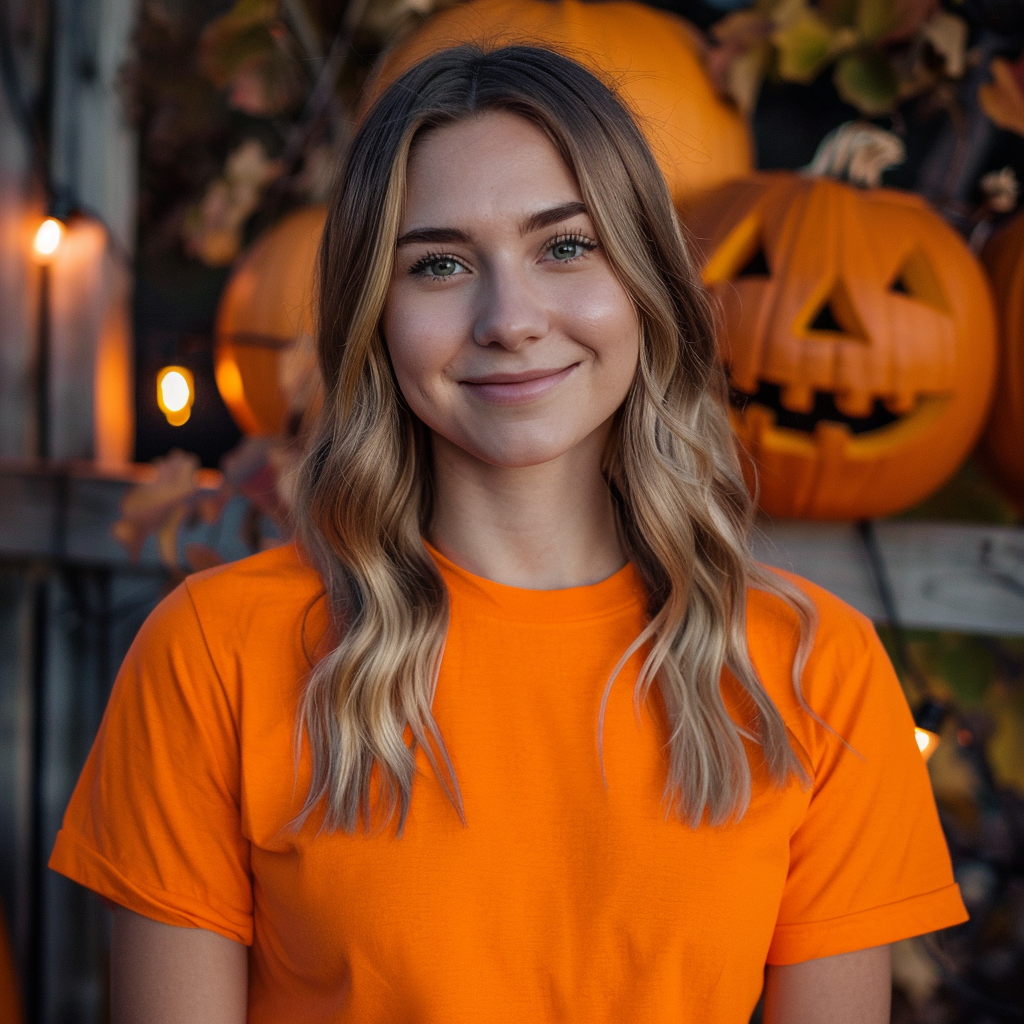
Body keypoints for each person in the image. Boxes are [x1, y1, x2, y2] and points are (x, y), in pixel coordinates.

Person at [50, 45, 966, 1024]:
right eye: (438, 264)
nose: (509, 318)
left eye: (564, 247)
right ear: (374, 316)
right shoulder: (214, 653)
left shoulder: (815, 674)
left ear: (645, 284)